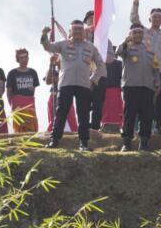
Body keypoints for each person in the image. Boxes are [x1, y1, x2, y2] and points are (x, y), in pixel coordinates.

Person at [41, 20, 106, 151]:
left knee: (83, 115)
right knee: (61, 112)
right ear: (70, 31)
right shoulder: (63, 44)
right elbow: (48, 46)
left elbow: (101, 66)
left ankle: (83, 143)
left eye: (80, 30)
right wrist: (44, 34)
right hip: (66, 83)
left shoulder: (90, 47)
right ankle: (55, 140)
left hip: (84, 84)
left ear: (84, 32)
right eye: (75, 30)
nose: (77, 32)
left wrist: (93, 80)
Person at [130, 0, 161, 135]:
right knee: (143, 100)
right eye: (154, 17)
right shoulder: (142, 32)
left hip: (160, 71)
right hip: (144, 70)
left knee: (160, 100)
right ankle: (140, 127)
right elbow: (134, 18)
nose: (156, 20)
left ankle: (158, 126)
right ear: (149, 19)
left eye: (159, 17)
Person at [117, 24, 161, 151]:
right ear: (131, 34)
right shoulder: (127, 48)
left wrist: (157, 83)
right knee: (129, 115)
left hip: (147, 87)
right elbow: (118, 52)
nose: (137, 35)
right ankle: (126, 143)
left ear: (143, 35)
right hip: (130, 86)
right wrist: (125, 41)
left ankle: (144, 143)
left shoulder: (150, 51)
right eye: (134, 32)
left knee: (146, 116)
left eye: (139, 33)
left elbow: (156, 69)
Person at [82, 10, 115, 131]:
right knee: (83, 102)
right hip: (83, 74)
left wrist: (99, 57)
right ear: (86, 22)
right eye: (90, 19)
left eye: (95, 18)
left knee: (98, 103)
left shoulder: (105, 39)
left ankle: (95, 127)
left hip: (100, 74)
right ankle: (83, 126)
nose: (92, 21)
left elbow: (111, 57)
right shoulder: (80, 36)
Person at [6, 48, 40, 133]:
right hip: (17, 104)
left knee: (32, 127)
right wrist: (12, 105)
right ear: (17, 59)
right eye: (21, 58)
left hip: (30, 103)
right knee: (19, 129)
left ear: (28, 58)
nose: (24, 60)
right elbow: (8, 92)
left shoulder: (33, 72)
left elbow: (33, 90)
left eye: (25, 57)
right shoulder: (12, 73)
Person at [44, 58, 78, 133]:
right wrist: (51, 65)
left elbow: (63, 79)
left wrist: (60, 67)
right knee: (54, 119)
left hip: (66, 95)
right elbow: (48, 81)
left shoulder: (68, 68)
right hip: (54, 96)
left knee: (70, 118)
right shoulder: (52, 70)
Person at [101, 46, 123, 133]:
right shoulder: (102, 63)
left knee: (116, 108)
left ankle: (117, 125)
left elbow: (122, 76)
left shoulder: (119, 63)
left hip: (115, 89)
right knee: (105, 108)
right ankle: (105, 124)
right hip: (105, 89)